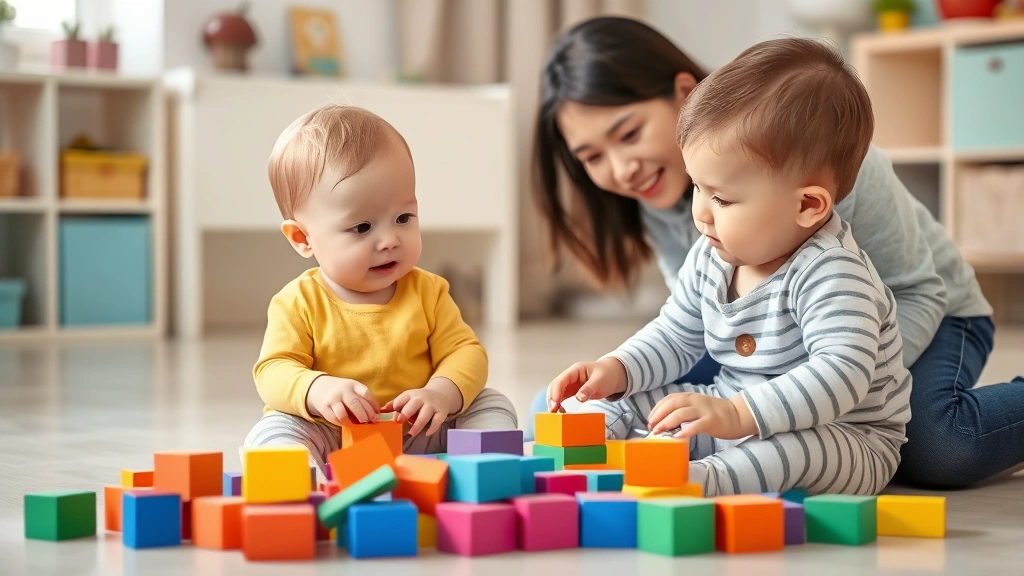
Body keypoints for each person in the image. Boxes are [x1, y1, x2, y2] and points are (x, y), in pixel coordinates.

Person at [528, 16, 1023, 489]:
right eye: (591, 156)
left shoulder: (825, 223)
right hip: (774, 342)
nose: (622, 170)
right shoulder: (702, 222)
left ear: (684, 95)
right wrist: (617, 370)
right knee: (565, 406)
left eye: (628, 133)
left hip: (912, 320)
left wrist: (756, 408)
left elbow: (848, 364)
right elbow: (681, 329)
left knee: (938, 448)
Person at [547, 37, 909, 496]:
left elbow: (839, 376)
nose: (700, 212)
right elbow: (675, 335)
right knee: (635, 400)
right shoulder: (712, 253)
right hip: (732, 402)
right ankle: (594, 444)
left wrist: (738, 416)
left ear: (808, 206)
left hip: (845, 436)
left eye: (721, 198)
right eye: (698, 187)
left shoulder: (833, 273)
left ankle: (707, 480)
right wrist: (616, 369)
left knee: (789, 452)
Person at [244, 105, 517, 473]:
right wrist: (317, 390)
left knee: (491, 403)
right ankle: (299, 479)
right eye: (361, 228)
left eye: (404, 218)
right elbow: (273, 371)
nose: (389, 240)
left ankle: (480, 470)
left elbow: (466, 352)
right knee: (274, 428)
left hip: (420, 430)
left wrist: (440, 393)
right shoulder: (298, 302)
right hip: (334, 435)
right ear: (302, 238)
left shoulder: (429, 291)